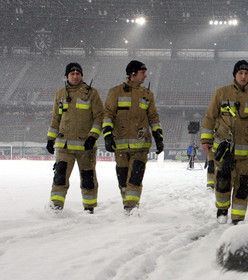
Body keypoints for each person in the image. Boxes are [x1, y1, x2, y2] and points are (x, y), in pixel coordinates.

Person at [201, 60, 248, 224]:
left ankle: (238, 217)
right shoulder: (221, 93)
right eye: (240, 73)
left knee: (243, 185)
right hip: (224, 150)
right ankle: (222, 209)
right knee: (222, 182)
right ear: (235, 75)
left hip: (246, 152)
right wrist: (206, 139)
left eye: (246, 73)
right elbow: (210, 117)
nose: (243, 76)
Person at [102, 60, 164, 214]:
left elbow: (154, 118)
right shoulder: (115, 92)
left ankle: (131, 207)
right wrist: (108, 135)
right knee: (123, 179)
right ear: (132, 74)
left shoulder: (148, 95)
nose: (145, 75)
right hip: (120, 145)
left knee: (135, 176)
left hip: (140, 145)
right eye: (143, 72)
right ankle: (127, 203)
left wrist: (159, 137)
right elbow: (108, 114)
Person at [46, 62, 103, 213]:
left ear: (82, 75)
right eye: (72, 73)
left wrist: (93, 137)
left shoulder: (92, 93)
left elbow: (99, 117)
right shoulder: (60, 94)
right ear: (67, 76)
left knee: (88, 179)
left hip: (86, 147)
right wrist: (50, 139)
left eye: (78, 73)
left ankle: (89, 208)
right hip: (64, 147)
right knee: (59, 178)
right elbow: (56, 118)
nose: (75, 76)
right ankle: (55, 208)